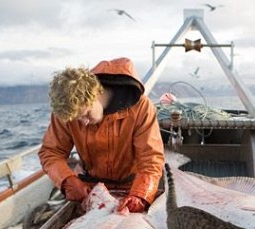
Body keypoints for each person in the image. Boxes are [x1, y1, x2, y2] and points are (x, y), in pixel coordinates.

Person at [39, 57, 165, 213]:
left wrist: (140, 195)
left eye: (86, 114)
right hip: (90, 191)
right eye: (77, 119)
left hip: (132, 187)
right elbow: (51, 152)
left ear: (96, 93)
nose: (83, 122)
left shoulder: (141, 108)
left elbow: (151, 158)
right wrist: (67, 180)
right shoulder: (67, 112)